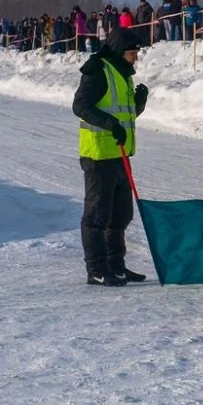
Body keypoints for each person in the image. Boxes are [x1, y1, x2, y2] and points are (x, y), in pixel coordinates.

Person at [72, 28, 149, 287]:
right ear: (119, 52)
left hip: (119, 155)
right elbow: (80, 106)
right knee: (96, 217)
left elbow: (123, 118)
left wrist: (139, 103)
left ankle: (116, 266)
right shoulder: (98, 70)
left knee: (120, 216)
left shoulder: (121, 74)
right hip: (98, 156)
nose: (135, 58)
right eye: (132, 53)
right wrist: (108, 123)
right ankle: (96, 269)